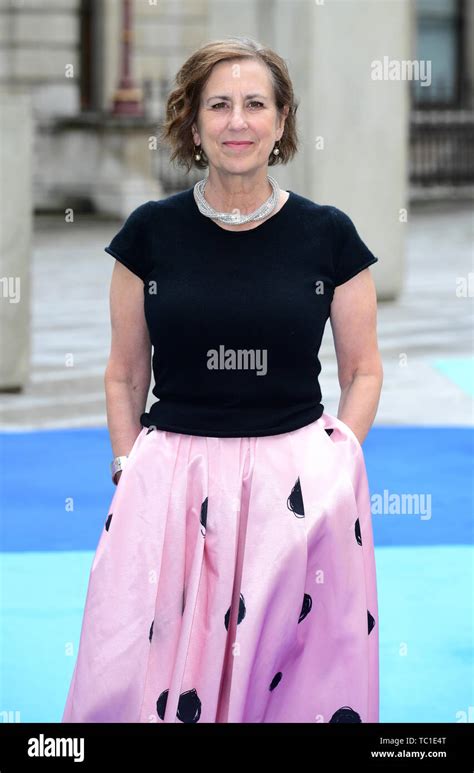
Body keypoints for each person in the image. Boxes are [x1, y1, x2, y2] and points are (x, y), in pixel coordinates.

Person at [62, 35, 382, 724]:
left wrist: (336, 464)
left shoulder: (330, 235)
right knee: (156, 671)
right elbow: (123, 373)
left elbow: (364, 370)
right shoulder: (149, 233)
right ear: (194, 122)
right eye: (220, 105)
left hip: (295, 487)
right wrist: (129, 464)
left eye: (255, 104)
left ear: (282, 119)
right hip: (173, 480)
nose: (238, 121)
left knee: (287, 672)